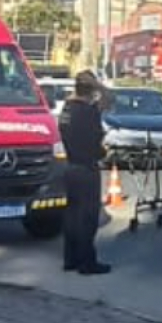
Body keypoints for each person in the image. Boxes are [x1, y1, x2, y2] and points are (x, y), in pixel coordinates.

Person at [58, 71, 110, 276]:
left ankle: (70, 259)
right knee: (87, 218)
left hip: (70, 166)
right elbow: (94, 141)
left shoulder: (67, 109)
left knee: (72, 216)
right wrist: (103, 152)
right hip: (87, 167)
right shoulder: (88, 112)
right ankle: (87, 262)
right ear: (91, 90)